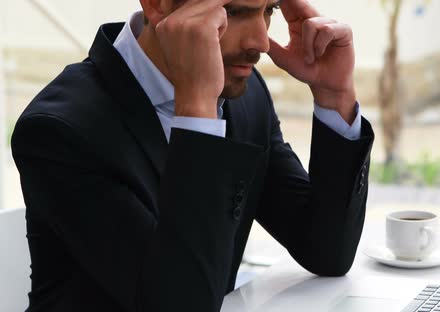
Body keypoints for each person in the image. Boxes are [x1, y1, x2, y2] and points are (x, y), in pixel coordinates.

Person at [11, 0, 374, 311]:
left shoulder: (244, 98)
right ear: (156, 4)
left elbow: (326, 252)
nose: (261, 42)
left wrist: (335, 95)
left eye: (270, 10)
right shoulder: (59, 131)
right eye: (232, 11)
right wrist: (197, 108)